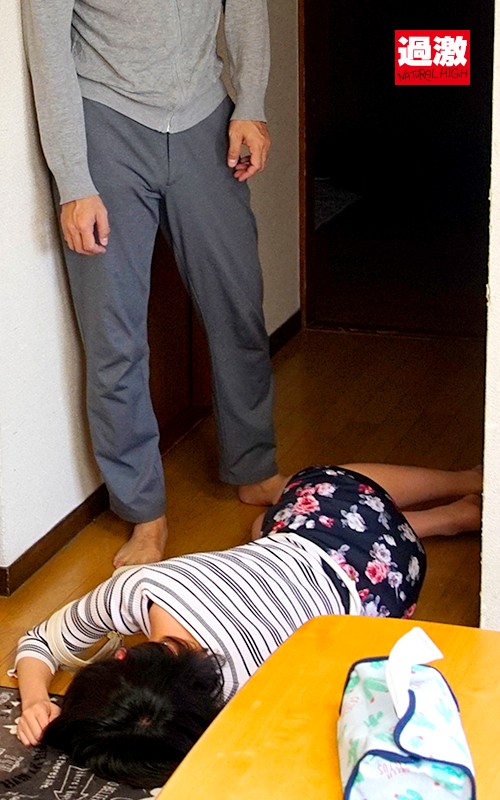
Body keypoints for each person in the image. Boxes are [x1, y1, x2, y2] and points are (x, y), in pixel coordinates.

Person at [15, 462, 481, 788]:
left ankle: (448, 517)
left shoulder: (244, 697)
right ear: (121, 655)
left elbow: (38, 643)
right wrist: (39, 696)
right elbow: (40, 642)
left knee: (266, 526)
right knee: (309, 490)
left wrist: (34, 699)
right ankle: (465, 482)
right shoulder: (141, 584)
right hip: (338, 535)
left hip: (388, 589)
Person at [21, 0, 284, 569]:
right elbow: (49, 53)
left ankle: (254, 468)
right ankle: (144, 513)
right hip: (105, 128)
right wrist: (74, 181)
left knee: (238, 307)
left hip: (205, 115)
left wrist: (251, 104)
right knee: (114, 336)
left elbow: (244, 8)